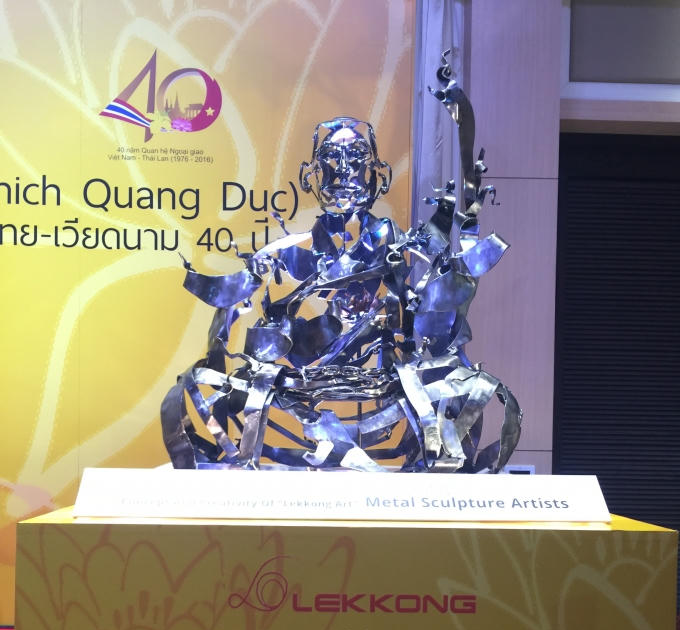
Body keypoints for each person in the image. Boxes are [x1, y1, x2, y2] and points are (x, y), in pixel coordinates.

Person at [161, 60, 521, 472]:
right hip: (296, 392)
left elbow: (444, 320)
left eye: (357, 157)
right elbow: (229, 329)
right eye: (332, 157)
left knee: (480, 390)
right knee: (192, 389)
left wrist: (463, 238)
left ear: (379, 175)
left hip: (391, 389)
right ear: (310, 176)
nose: (345, 169)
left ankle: (431, 468)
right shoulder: (282, 256)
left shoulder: (407, 250)